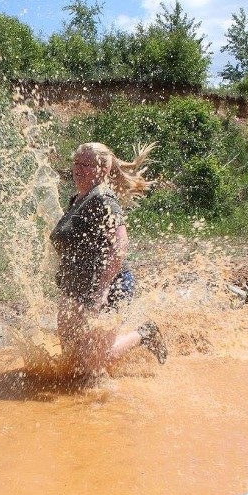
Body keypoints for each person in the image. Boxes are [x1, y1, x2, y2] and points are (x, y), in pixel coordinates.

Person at [49, 141, 167, 373]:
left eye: (86, 164)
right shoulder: (77, 200)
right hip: (75, 287)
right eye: (76, 163)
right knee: (72, 362)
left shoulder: (103, 199)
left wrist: (103, 287)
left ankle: (146, 333)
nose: (78, 169)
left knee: (97, 362)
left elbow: (120, 244)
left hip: (110, 286)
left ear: (103, 169)